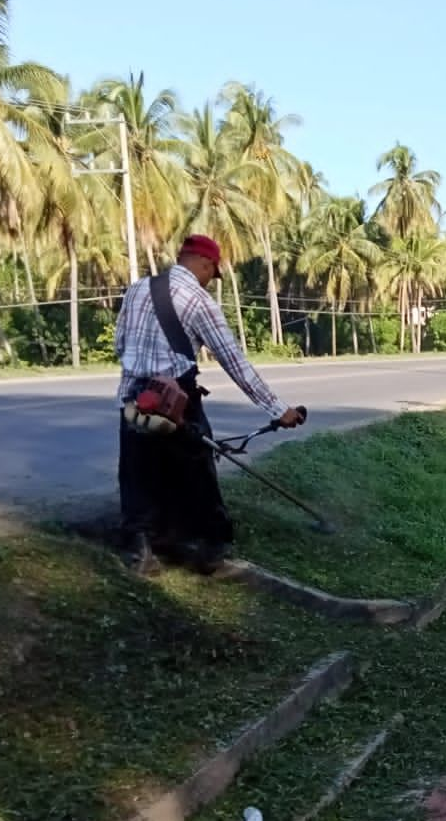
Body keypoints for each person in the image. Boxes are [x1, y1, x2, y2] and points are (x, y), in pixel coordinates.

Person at [115, 233, 305, 574]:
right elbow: (235, 363)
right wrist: (279, 410)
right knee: (197, 469)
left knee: (137, 472)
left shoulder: (137, 289)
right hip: (176, 400)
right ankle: (210, 552)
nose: (209, 281)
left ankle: (141, 553)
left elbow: (120, 343)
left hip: (133, 395)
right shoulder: (198, 301)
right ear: (205, 264)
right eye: (211, 273)